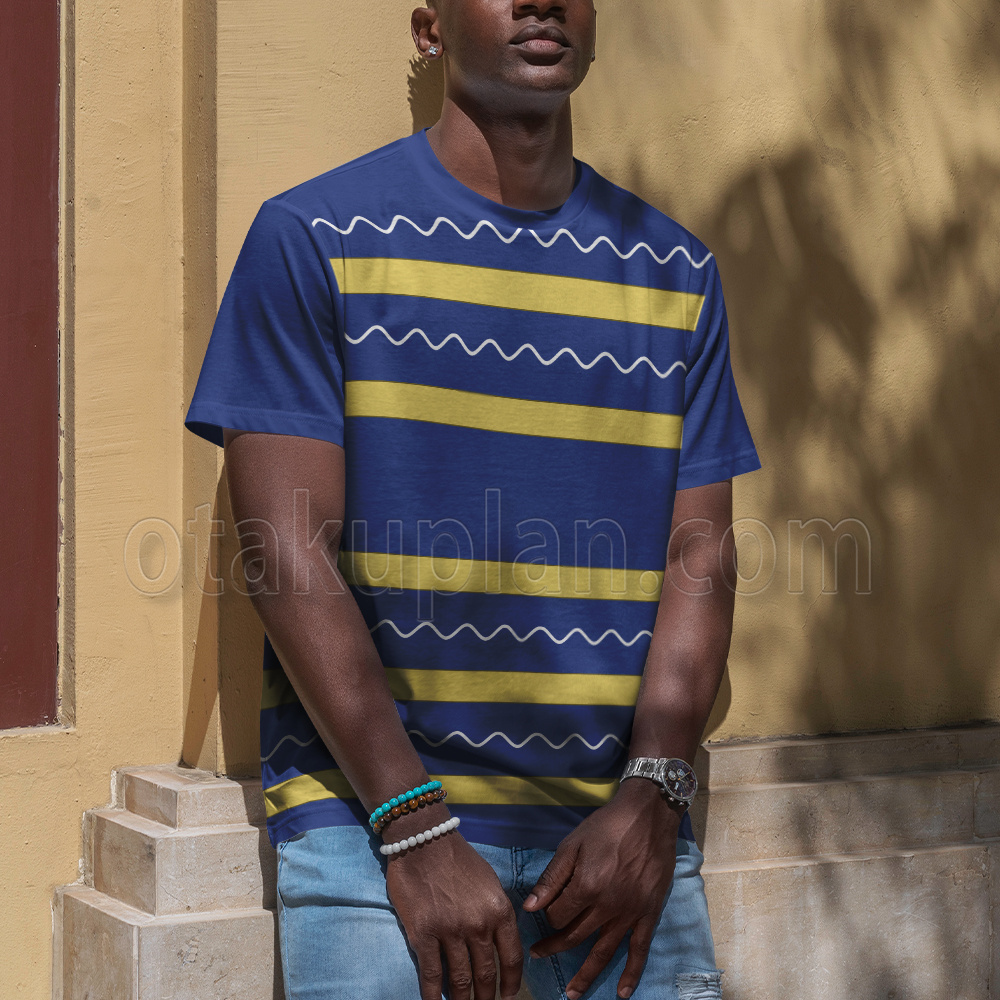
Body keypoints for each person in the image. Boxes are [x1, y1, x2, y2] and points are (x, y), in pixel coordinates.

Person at [185, 1, 761, 998]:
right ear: (429, 30)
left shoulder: (676, 273)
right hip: (373, 832)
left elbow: (699, 559)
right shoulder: (314, 239)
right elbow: (284, 550)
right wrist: (414, 826)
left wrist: (652, 795)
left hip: (615, 839)